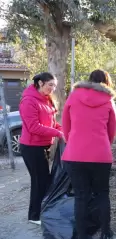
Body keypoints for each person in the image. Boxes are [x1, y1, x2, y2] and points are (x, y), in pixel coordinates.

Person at [62, 69, 116, 239]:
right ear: (106, 82)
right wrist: (101, 146)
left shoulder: (74, 95)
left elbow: (66, 126)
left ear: (89, 79)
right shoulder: (109, 100)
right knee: (102, 193)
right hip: (100, 155)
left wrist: (74, 143)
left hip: (75, 154)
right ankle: (105, 233)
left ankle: (82, 238)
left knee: (81, 196)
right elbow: (112, 132)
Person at [19, 72, 64, 225]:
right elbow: (33, 127)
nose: (53, 88)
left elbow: (51, 123)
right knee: (39, 181)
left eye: (54, 85)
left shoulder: (47, 100)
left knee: (44, 181)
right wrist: (57, 133)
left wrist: (63, 129)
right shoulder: (29, 101)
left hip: (43, 146)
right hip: (31, 147)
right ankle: (34, 216)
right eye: (50, 84)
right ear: (40, 83)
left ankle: (42, 211)